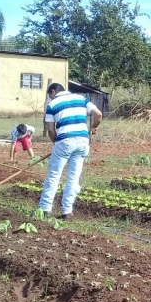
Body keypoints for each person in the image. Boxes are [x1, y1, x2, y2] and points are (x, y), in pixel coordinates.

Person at [37, 83, 103, 219]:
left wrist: (57, 143)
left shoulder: (52, 104)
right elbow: (98, 114)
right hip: (83, 142)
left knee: (54, 175)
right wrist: (92, 127)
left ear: (53, 91)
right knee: (73, 178)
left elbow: (50, 129)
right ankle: (67, 211)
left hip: (64, 141)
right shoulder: (81, 98)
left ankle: (44, 209)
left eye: (50, 95)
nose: (50, 98)